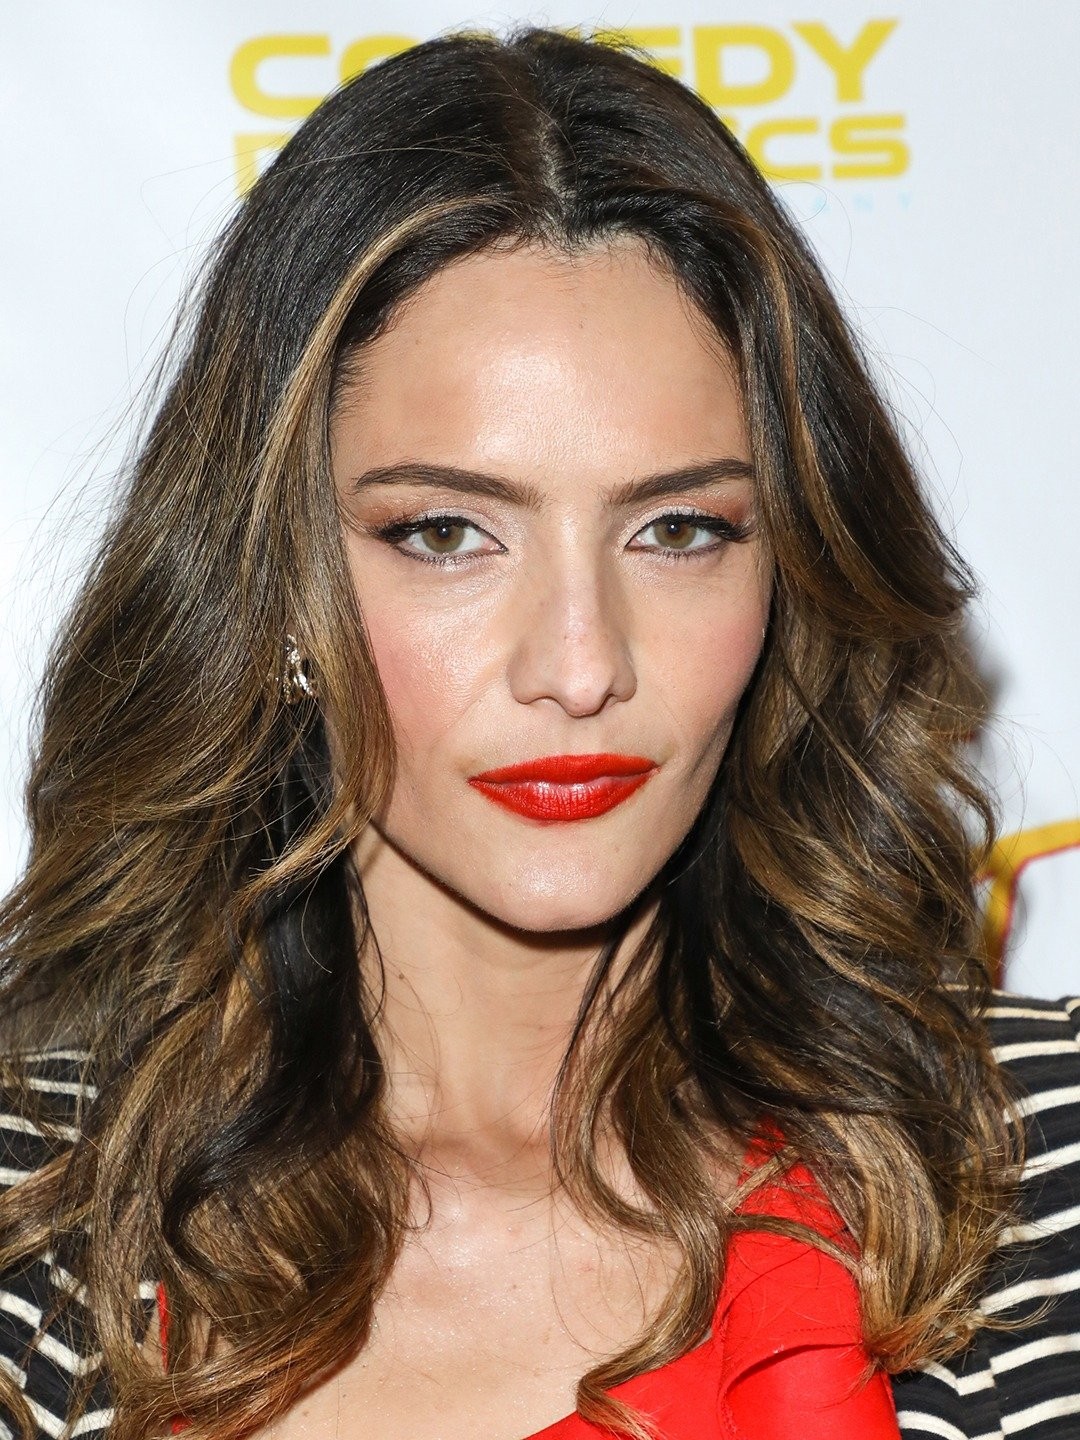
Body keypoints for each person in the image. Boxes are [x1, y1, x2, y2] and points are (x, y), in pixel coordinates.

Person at [0, 23, 1076, 1440]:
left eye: (678, 530)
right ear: (274, 591)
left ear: (789, 572)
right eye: (447, 533)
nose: (580, 667)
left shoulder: (1040, 1168)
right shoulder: (32, 1219)